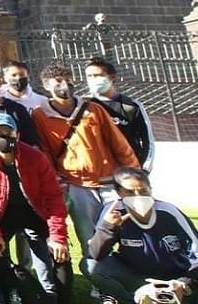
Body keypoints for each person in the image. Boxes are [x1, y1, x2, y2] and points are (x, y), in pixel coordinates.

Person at [89, 167, 198, 304]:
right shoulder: (113, 212)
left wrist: (186, 282)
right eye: (130, 192)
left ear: (151, 189)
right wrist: (108, 228)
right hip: (137, 279)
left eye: (143, 191)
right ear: (119, 192)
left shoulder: (168, 212)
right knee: (91, 266)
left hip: (179, 279)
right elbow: (95, 254)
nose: (138, 196)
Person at [32, 63, 138, 286]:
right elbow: (44, 151)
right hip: (76, 185)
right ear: (46, 85)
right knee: (90, 238)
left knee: (124, 232)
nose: (65, 84)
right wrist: (56, 179)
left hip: (109, 182)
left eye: (68, 78)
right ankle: (102, 288)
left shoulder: (93, 109)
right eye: (59, 80)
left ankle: (133, 281)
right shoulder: (40, 115)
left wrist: (134, 176)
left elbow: (119, 143)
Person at [0, 113, 75, 304]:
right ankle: (9, 302)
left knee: (55, 258)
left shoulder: (35, 157)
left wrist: (57, 236)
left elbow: (54, 197)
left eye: (9, 132)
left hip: (34, 215)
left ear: (17, 133)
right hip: (1, 216)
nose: (4, 137)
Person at [84, 58, 155, 172]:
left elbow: (148, 141)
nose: (92, 80)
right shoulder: (84, 107)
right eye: (89, 76)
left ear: (112, 78)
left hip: (128, 173)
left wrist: (144, 169)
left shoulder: (131, 106)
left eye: (97, 75)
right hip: (99, 175)